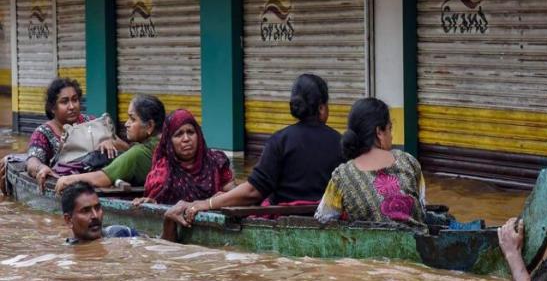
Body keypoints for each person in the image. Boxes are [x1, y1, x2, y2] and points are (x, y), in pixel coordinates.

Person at [165, 73, 343, 228]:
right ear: (321, 108)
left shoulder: (280, 140)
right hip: (327, 221)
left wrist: (207, 203)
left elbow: (253, 191)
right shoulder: (340, 142)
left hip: (284, 220)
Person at [314, 97, 427, 231]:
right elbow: (423, 209)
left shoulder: (342, 176)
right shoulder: (408, 161)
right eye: (390, 129)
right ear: (379, 131)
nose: (391, 136)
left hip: (368, 250)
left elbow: (323, 219)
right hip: (418, 248)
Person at [24, 78, 129, 191]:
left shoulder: (91, 122)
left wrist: (111, 142)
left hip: (102, 179)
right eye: (64, 102)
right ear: (53, 108)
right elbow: (32, 161)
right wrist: (41, 168)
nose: (72, 106)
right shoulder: (43, 132)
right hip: (69, 185)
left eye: (75, 100)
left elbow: (127, 148)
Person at [53, 94, 166, 194]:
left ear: (150, 126)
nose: (126, 124)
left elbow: (101, 178)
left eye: (132, 119)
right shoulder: (164, 144)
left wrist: (69, 179)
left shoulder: (138, 154)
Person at [133, 108, 234, 206]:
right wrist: (151, 203)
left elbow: (232, 191)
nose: (186, 139)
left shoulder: (216, 162)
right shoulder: (163, 172)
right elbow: (154, 202)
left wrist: (223, 198)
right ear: (169, 142)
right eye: (178, 134)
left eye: (190, 132)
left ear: (198, 135)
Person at [61, 181, 138, 244]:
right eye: (86, 211)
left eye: (97, 208)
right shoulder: (65, 253)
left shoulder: (123, 234)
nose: (95, 216)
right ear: (69, 220)